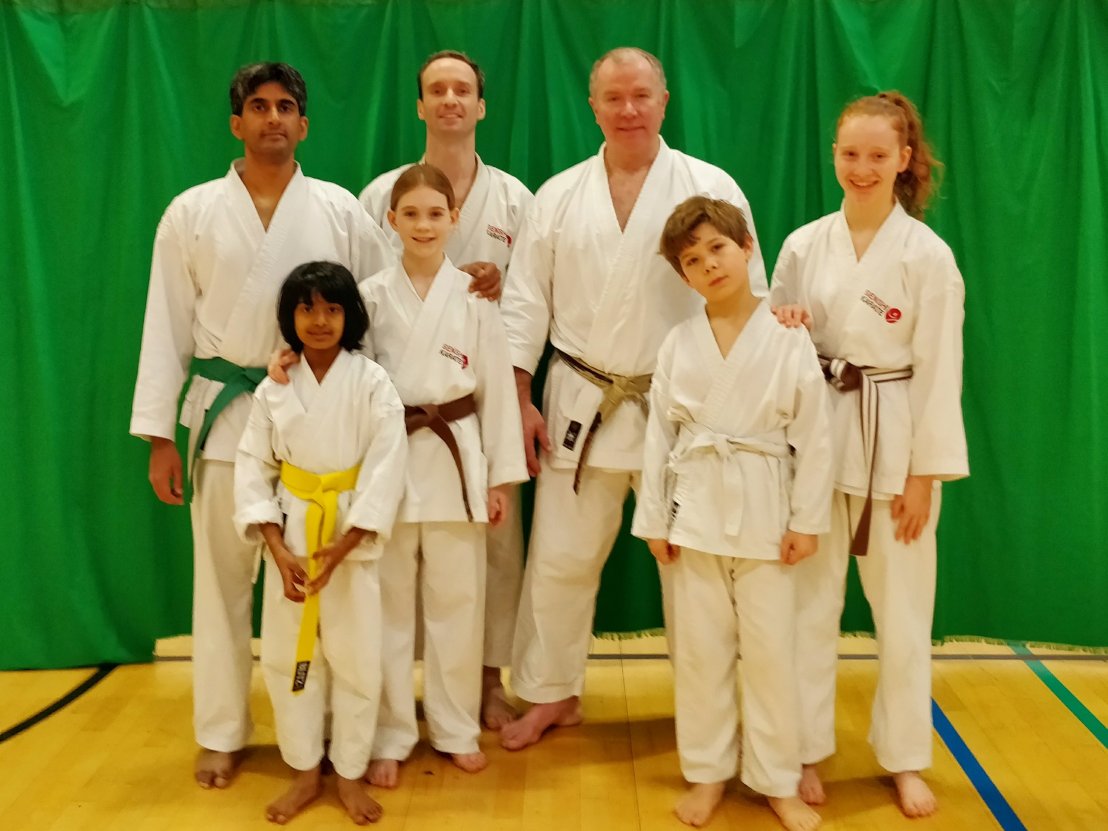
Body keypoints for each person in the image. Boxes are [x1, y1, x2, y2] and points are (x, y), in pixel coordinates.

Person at [129, 62, 392, 789]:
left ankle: (327, 732)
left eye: (286, 107)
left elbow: (380, 305)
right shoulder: (191, 212)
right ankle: (220, 729)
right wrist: (158, 434)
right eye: (257, 106)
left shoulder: (339, 208)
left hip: (319, 416)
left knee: (318, 583)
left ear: (304, 124)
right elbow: (166, 324)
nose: (273, 117)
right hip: (223, 410)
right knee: (219, 583)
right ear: (236, 122)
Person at [499, 46, 767, 751]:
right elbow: (525, 304)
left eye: (641, 95)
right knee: (559, 556)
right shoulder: (558, 194)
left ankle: (707, 709)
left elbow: (749, 295)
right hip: (580, 396)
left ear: (664, 101)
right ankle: (549, 691)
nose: (628, 110)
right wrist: (520, 397)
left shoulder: (710, 185)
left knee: (692, 565)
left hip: (684, 404)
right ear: (593, 106)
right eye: (613, 97)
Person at [769, 91, 969, 818]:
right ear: (834, 155)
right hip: (818, 439)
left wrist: (922, 476)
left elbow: (941, 370)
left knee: (905, 614)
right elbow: (770, 342)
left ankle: (906, 758)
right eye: (850, 153)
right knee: (807, 607)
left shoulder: (927, 256)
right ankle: (801, 750)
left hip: (897, 446)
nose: (862, 167)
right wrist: (784, 320)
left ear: (904, 160)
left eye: (878, 155)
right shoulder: (802, 244)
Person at [633, 197, 831, 831]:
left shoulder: (788, 336)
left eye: (717, 248)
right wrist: (655, 519)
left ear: (748, 248)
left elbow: (816, 436)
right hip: (693, 513)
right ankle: (709, 772)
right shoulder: (678, 343)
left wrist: (806, 520)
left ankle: (777, 778)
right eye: (692, 259)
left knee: (773, 653)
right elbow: (659, 437)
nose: (708, 265)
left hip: (767, 514)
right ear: (683, 277)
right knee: (699, 652)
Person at [359, 50, 533, 729]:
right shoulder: (380, 194)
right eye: (437, 89)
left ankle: (482, 686)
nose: (451, 99)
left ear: (481, 105)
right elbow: (370, 305)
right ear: (420, 105)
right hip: (398, 414)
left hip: (479, 404)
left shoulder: (515, 198)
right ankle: (395, 714)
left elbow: (528, 300)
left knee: (490, 554)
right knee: (396, 575)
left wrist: (517, 400)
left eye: (464, 89)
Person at [234, 262, 407, 824]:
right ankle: (306, 771)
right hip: (292, 531)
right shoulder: (273, 389)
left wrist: (345, 544)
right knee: (290, 657)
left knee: (357, 656)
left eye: (332, 308)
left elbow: (387, 465)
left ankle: (351, 772)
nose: (319, 320)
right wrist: (278, 550)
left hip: (348, 536)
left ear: (350, 315)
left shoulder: (373, 382)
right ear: (290, 317)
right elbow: (253, 467)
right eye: (306, 308)